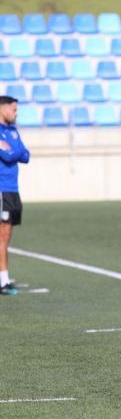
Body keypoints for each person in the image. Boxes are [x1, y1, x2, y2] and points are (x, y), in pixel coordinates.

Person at [0, 96, 30, 296]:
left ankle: (4, 277)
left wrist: (15, 151)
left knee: (7, 235)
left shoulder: (12, 131)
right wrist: (16, 151)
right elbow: (9, 156)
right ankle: (3, 281)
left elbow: (25, 155)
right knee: (2, 236)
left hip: (13, 189)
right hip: (2, 190)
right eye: (13, 109)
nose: (16, 113)